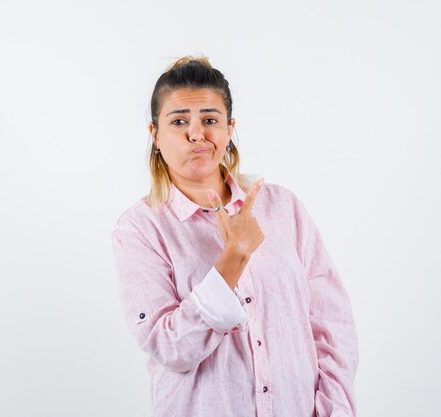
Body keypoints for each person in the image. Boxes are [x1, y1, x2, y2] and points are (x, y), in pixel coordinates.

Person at [110, 56, 359, 417]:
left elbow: (333, 324)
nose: (197, 133)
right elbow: (167, 346)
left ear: (229, 129)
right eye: (179, 121)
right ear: (155, 135)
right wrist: (234, 257)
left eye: (210, 120)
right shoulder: (139, 230)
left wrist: (335, 411)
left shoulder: (281, 208)